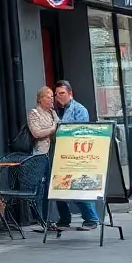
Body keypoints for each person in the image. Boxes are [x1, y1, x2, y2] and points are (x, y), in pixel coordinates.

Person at [53, 80, 100, 231]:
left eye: (62, 93)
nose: (58, 96)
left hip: (76, 154)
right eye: (56, 94)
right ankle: (64, 219)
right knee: (59, 187)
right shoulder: (58, 110)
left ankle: (91, 219)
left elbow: (81, 131)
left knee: (79, 186)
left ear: (70, 93)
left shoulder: (79, 109)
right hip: (62, 155)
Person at [28, 86, 59, 226]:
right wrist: (53, 128)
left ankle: (51, 218)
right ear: (40, 99)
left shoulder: (53, 113)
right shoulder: (34, 113)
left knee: (51, 185)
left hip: (55, 152)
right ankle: (41, 218)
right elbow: (36, 133)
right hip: (41, 153)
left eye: (52, 96)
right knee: (41, 185)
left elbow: (61, 127)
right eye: (48, 96)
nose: (51, 99)